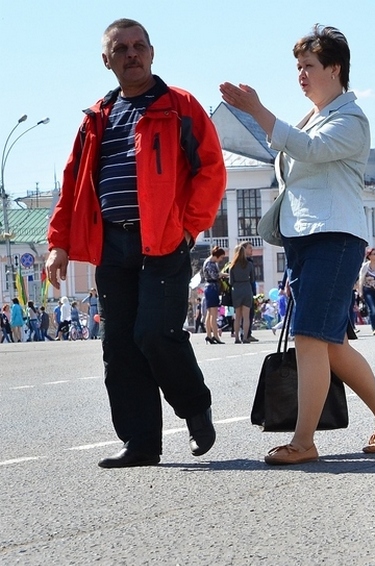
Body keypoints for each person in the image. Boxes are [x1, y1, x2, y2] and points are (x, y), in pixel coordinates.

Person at [45, 18, 225, 468]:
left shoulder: (180, 106)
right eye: (121, 48)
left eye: (138, 45)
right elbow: (73, 187)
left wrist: (188, 228)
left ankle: (194, 406)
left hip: (165, 242)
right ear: (106, 60)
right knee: (120, 345)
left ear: (152, 52)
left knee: (155, 334)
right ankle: (141, 443)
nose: (131, 54)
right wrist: (58, 243)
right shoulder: (95, 119)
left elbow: (211, 170)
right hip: (111, 245)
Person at [220, 24, 375, 465]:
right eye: (297, 67)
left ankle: (304, 441)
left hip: (333, 237)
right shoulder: (313, 116)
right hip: (305, 239)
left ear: (335, 68)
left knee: (310, 337)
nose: (301, 74)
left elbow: (310, 151)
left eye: (308, 65)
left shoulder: (351, 120)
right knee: (330, 344)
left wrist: (258, 112)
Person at [228, 243, 255, 343]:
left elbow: (231, 282)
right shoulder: (249, 265)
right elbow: (252, 279)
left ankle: (236, 338)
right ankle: (245, 337)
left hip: (236, 290)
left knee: (237, 316)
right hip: (247, 289)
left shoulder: (232, 266)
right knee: (246, 316)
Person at [202, 246, 227, 344]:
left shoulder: (208, 262)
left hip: (209, 288)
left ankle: (209, 335)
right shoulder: (211, 263)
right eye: (221, 257)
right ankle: (215, 336)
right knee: (213, 313)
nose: (221, 260)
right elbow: (214, 276)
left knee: (209, 313)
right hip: (212, 288)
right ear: (217, 256)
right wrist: (223, 275)